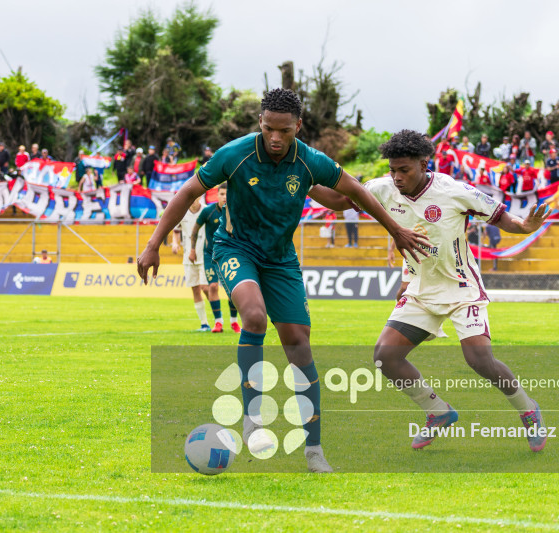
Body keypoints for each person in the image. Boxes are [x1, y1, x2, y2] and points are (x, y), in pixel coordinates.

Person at [136, 88, 429, 473]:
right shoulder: (236, 154)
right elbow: (189, 190)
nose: (276, 138)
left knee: (299, 345)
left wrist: (394, 229)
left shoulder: (309, 161)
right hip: (235, 249)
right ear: (260, 122)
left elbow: (351, 193)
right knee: (254, 318)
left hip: (281, 260)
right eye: (269, 128)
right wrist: (154, 243)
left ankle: (314, 451)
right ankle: (252, 416)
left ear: (298, 127)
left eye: (285, 131)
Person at [366, 129, 550, 452]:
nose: (396, 177)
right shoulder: (382, 188)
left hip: (461, 286)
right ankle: (437, 412)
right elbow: (345, 194)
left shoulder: (453, 191)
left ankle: (528, 409)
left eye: (404, 170)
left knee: (479, 359)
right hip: (421, 288)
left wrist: (524, 227)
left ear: (424, 164)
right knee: (385, 356)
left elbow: (500, 216)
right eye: (392, 169)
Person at [190, 183, 240, 333]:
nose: (225, 197)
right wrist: (192, 249)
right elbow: (195, 230)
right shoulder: (208, 211)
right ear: (217, 195)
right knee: (212, 286)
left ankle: (234, 321)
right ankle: (218, 322)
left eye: (227, 194)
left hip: (229, 255)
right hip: (210, 255)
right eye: (222, 194)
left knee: (232, 290)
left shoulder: (236, 211)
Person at [171, 196, 212, 332]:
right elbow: (176, 230)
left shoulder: (207, 210)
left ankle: (218, 317)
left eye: (195, 196)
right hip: (188, 256)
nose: (192, 199)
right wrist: (175, 243)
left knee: (205, 288)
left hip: (205, 255)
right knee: (195, 289)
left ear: (199, 197)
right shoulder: (182, 212)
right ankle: (204, 323)